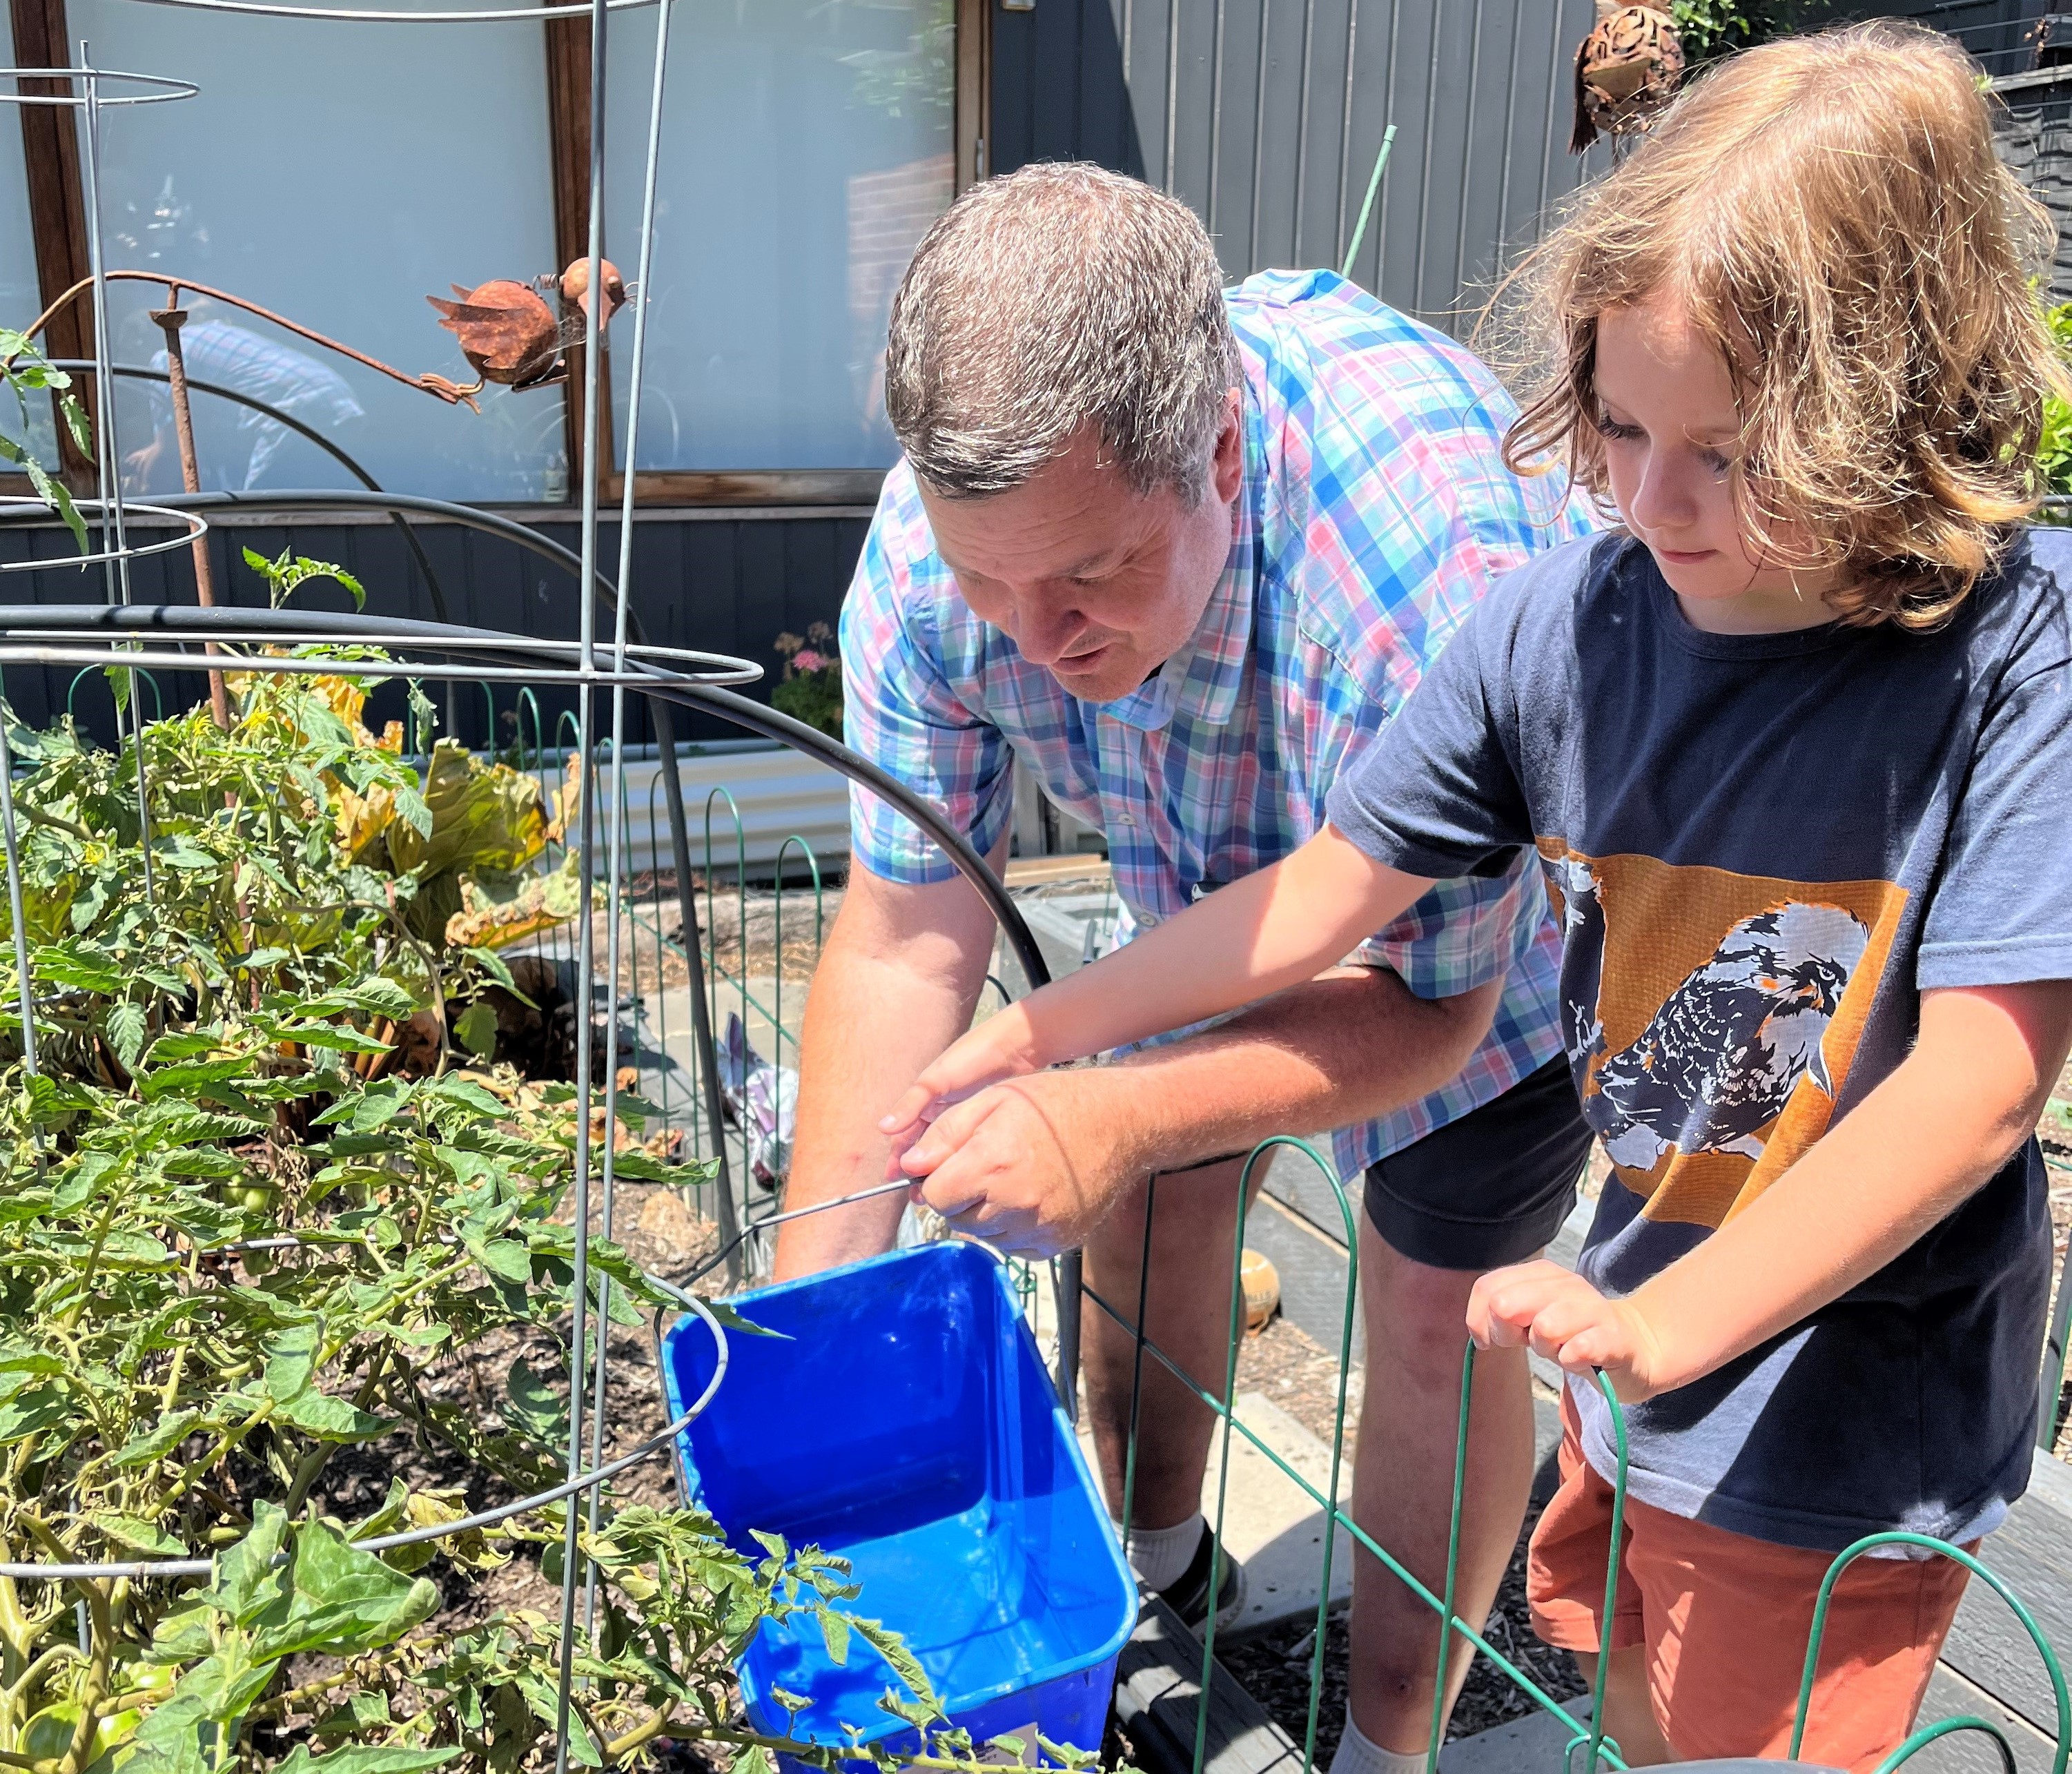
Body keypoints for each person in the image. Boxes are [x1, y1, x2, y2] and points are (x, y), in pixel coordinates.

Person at [887, 28, 2072, 1771]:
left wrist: (1667, 1323)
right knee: (1641, 1699)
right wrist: (1052, 1032)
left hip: (1845, 1385)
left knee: (1748, 1721)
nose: (1644, 500)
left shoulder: (2008, 657)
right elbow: (1317, 898)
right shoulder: (1568, 618)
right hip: (1633, 1332)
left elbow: (1981, 1084)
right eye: (1613, 421)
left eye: (1726, 456)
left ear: (1886, 407)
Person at [775, 162, 1594, 1764]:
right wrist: (814, 1350)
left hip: (1472, 953)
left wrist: (1110, 1105)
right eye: (988, 580)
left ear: (1219, 452)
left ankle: (1390, 1733)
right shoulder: (954, 553)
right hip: (1200, 888)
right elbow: (898, 942)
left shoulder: (1432, 567)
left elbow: (1436, 1010)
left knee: (1440, 1309)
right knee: (1146, 1189)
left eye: (1091, 581)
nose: (1032, 636)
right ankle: (1152, 1569)